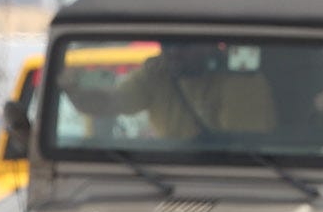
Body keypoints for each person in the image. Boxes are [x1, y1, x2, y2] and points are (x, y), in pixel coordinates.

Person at [58, 43, 274, 141]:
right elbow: (112, 102)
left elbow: (238, 148)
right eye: (167, 43)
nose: (173, 52)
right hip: (168, 175)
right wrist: (73, 92)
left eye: (184, 44)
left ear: (211, 44)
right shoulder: (157, 74)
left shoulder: (242, 81)